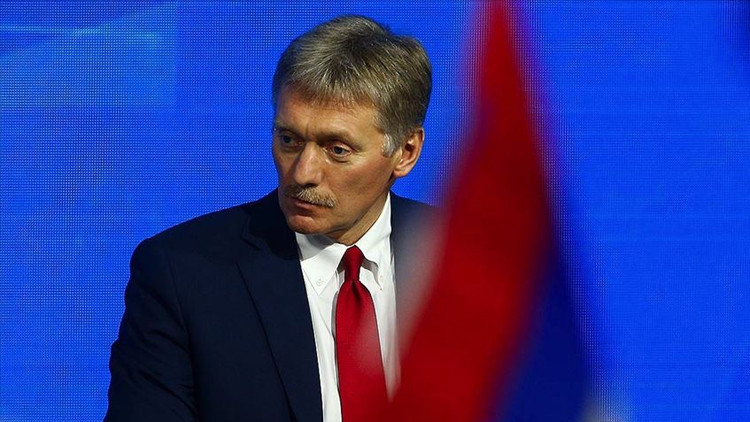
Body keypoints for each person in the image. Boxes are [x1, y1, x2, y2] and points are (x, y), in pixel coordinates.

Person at [106, 15, 432, 422]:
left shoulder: (472, 262)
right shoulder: (182, 274)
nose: (302, 173)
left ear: (405, 152)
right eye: (289, 140)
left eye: (337, 149)